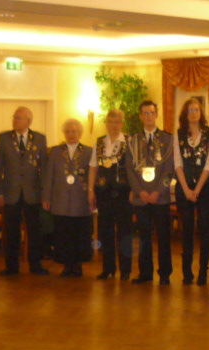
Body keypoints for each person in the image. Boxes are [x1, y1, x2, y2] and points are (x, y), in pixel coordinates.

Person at [125, 100, 174, 285]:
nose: (148, 116)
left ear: (156, 114)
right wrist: (140, 192)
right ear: (140, 116)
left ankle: (165, 274)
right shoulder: (133, 140)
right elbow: (129, 170)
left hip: (160, 198)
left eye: (151, 112)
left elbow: (169, 170)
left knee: (163, 237)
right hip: (141, 198)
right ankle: (145, 273)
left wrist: (158, 191)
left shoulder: (168, 139)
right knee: (144, 238)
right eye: (145, 113)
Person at [0, 106, 49, 276]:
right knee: (11, 231)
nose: (15, 120)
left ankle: (35, 264)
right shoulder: (4, 138)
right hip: (11, 192)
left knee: (35, 230)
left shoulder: (39, 139)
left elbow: (44, 168)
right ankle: (12, 266)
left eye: (19, 118)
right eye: (14, 117)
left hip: (32, 193)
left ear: (28, 121)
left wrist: (45, 194)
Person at [172, 98, 209, 285]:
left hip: (204, 189)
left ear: (201, 112)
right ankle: (187, 271)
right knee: (187, 230)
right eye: (190, 110)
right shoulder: (179, 134)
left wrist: (196, 190)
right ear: (185, 114)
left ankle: (203, 272)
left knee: (204, 230)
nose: (193, 113)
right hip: (184, 188)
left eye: (196, 110)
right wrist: (186, 189)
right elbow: (177, 163)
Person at [42, 119, 93, 277]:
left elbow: (93, 176)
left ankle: (78, 264)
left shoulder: (89, 151)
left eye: (74, 131)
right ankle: (66, 265)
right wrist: (46, 197)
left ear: (80, 133)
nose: (71, 134)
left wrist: (92, 196)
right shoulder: (55, 151)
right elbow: (49, 175)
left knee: (80, 233)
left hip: (81, 200)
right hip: (61, 199)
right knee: (63, 233)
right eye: (68, 132)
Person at [88, 108, 132, 281]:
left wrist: (134, 191)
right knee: (105, 231)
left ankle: (125, 269)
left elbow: (134, 169)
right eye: (111, 122)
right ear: (106, 123)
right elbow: (93, 167)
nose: (114, 125)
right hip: (103, 193)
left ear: (122, 124)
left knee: (124, 232)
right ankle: (108, 268)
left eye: (117, 122)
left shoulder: (129, 142)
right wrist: (90, 191)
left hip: (123, 193)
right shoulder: (99, 142)